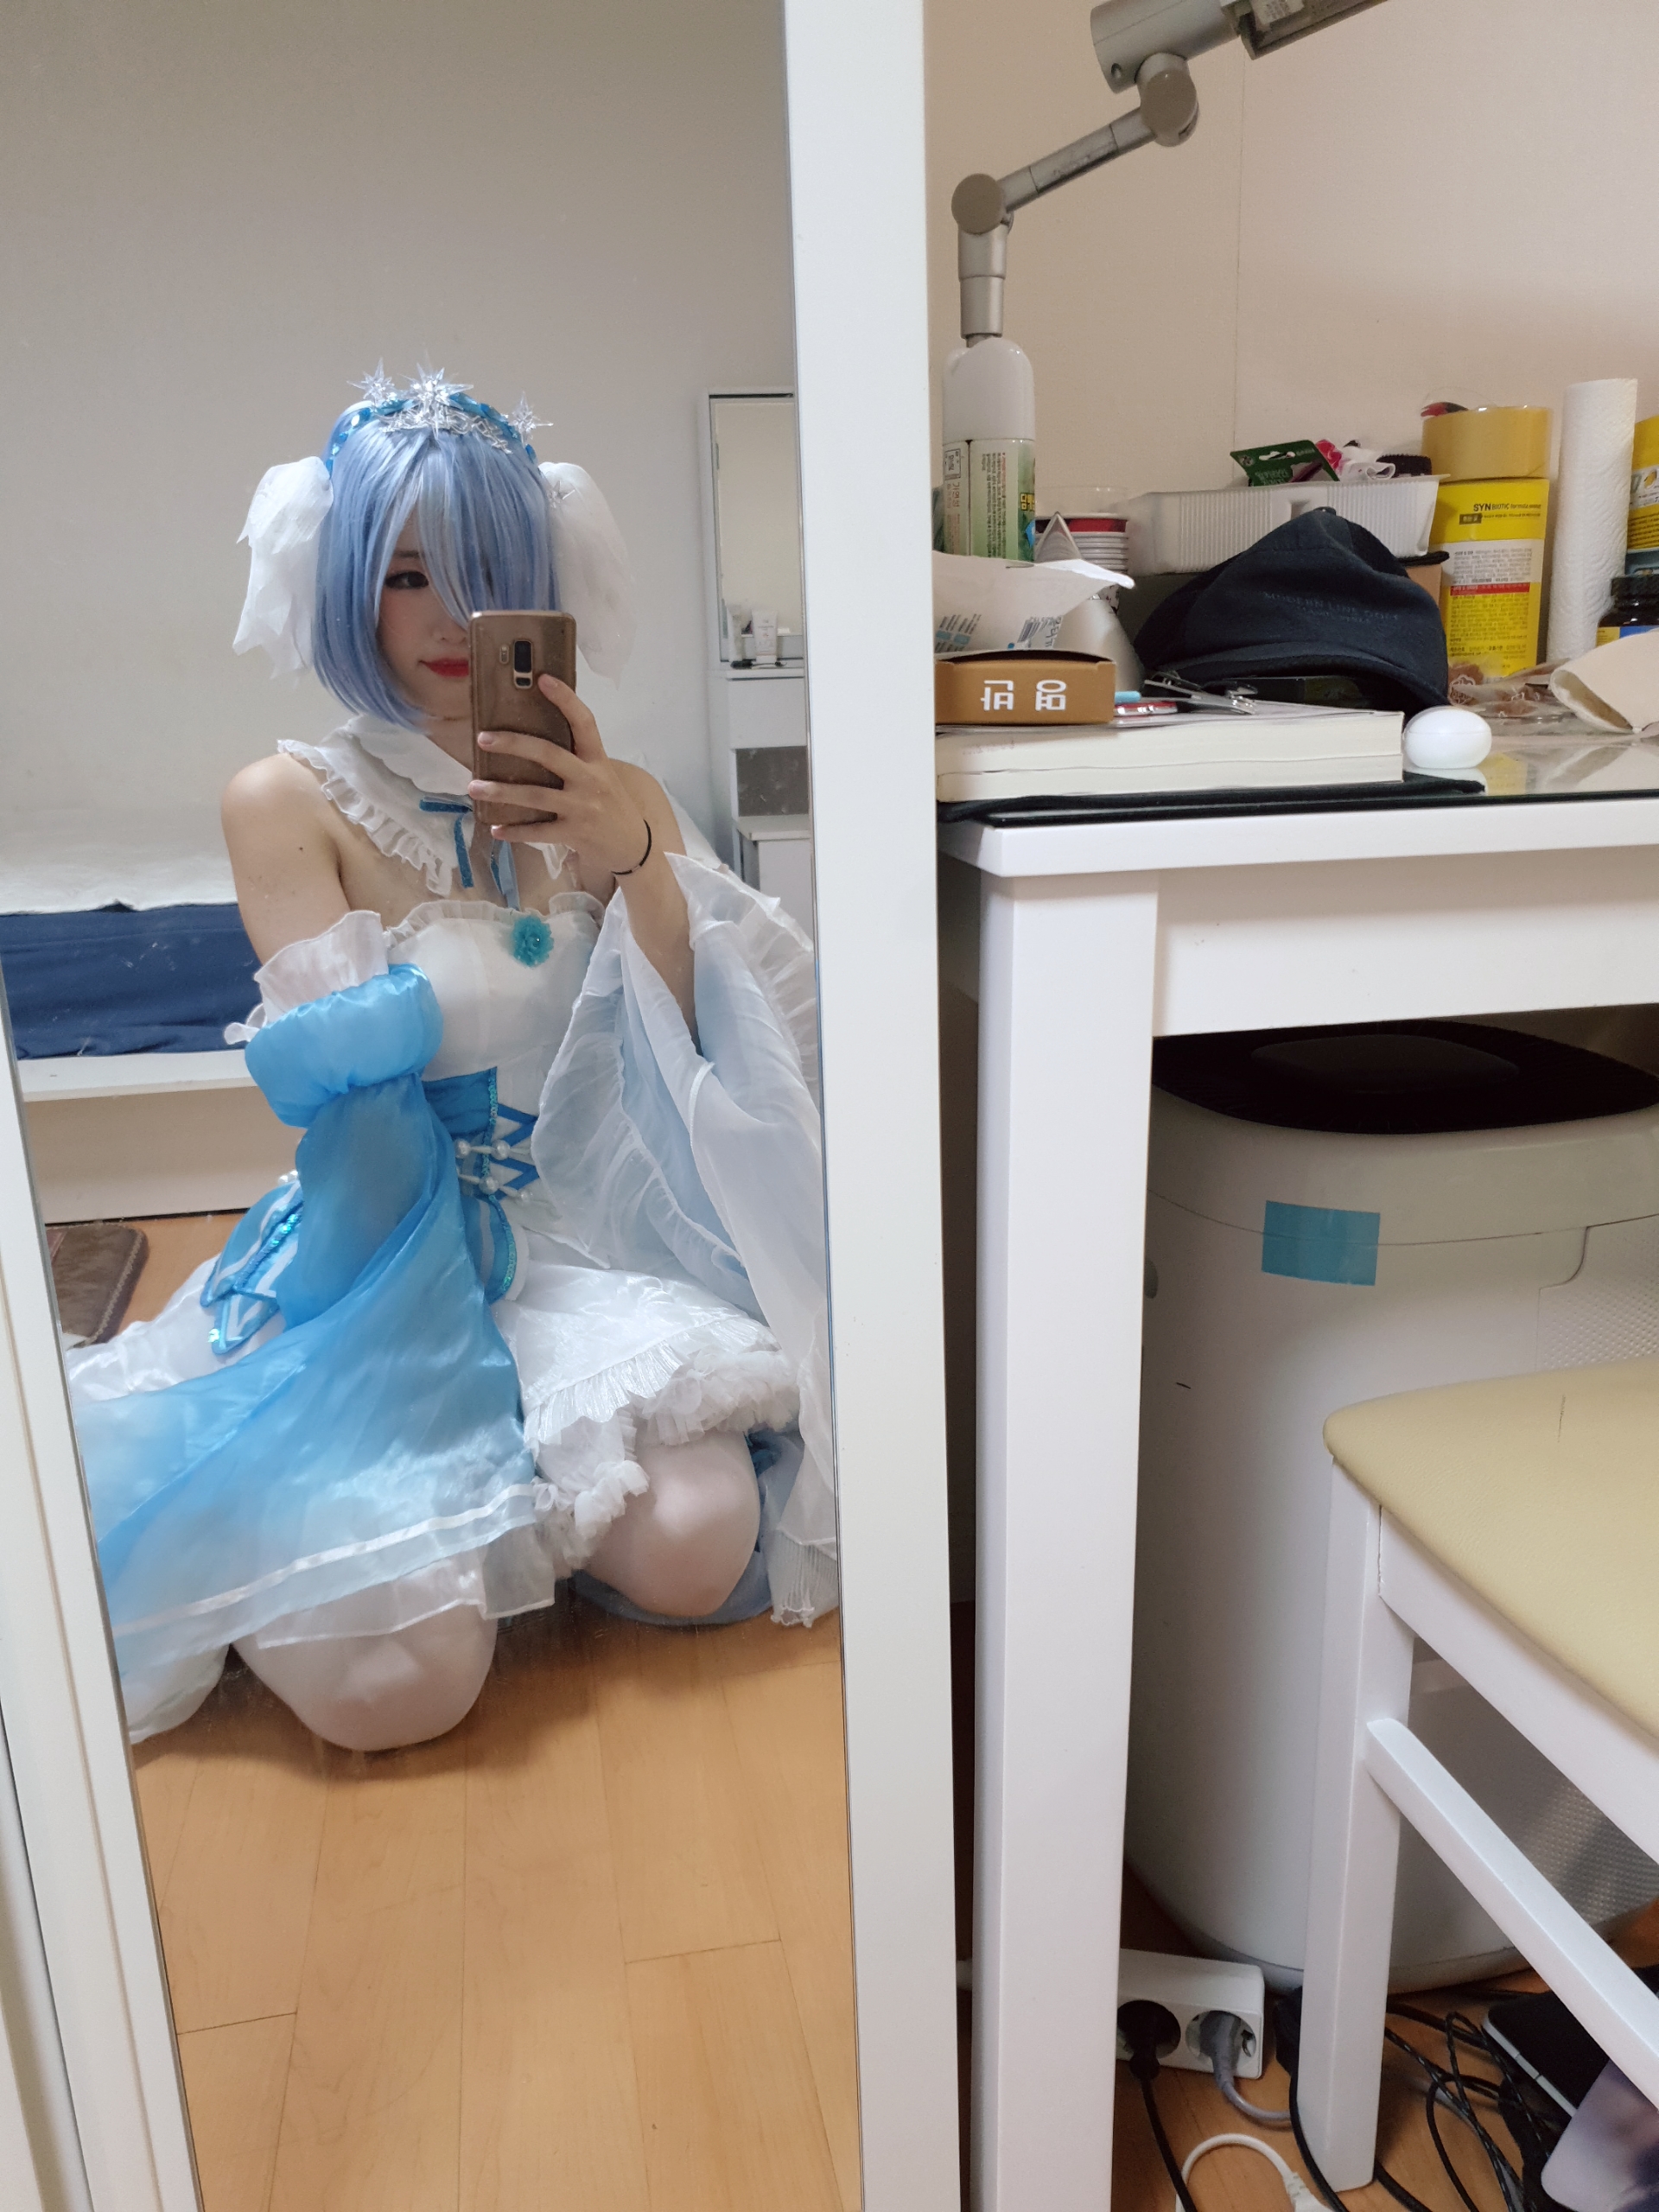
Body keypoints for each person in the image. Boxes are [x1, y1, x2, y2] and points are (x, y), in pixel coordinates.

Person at [66, 370, 833, 1752]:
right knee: (395, 1694)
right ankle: (393, 1528)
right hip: (385, 1249)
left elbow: (715, 1038)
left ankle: (529, 1504)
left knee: (702, 1538)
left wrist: (631, 855)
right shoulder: (288, 801)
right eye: (410, 574)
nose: (454, 619)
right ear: (349, 585)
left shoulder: (615, 793)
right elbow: (343, 1098)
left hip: (579, 1238)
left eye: (491, 576)